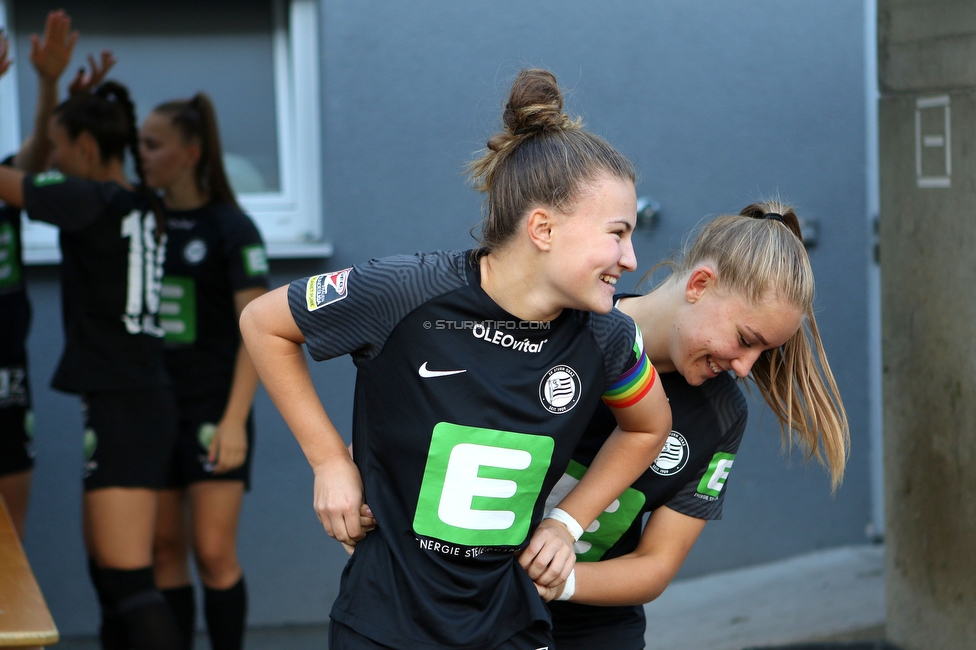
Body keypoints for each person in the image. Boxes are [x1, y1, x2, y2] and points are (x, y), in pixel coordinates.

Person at [239, 68, 672, 650]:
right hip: (382, 623)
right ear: (542, 227)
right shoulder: (406, 292)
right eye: (617, 233)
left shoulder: (608, 336)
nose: (630, 257)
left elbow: (649, 427)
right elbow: (262, 322)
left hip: (510, 625)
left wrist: (568, 524)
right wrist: (327, 463)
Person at [538, 202, 850, 650]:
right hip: (472, 599)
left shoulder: (721, 415)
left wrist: (555, 582)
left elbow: (656, 564)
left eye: (764, 353)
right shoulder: (569, 329)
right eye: (746, 340)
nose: (745, 368)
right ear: (700, 284)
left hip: (589, 627)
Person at [0, 67, 182, 648]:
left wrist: (48, 90)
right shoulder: (139, 201)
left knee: (128, 582)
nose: (48, 160)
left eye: (57, 148)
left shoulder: (84, 199)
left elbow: (13, 179)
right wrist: (56, 92)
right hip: (134, 400)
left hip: (125, 405)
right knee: (111, 580)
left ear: (83, 147)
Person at [138, 93, 268, 650]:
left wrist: (234, 420)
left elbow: (258, 332)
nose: (139, 155)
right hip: (151, 410)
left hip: (214, 410)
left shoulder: (231, 227)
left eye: (151, 145)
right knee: (164, 551)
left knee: (213, 553)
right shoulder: (138, 221)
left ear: (189, 153)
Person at [0, 11, 113, 541]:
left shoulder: (9, 181)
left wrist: (48, 85)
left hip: (7, 369)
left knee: (9, 536)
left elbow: (36, 162)